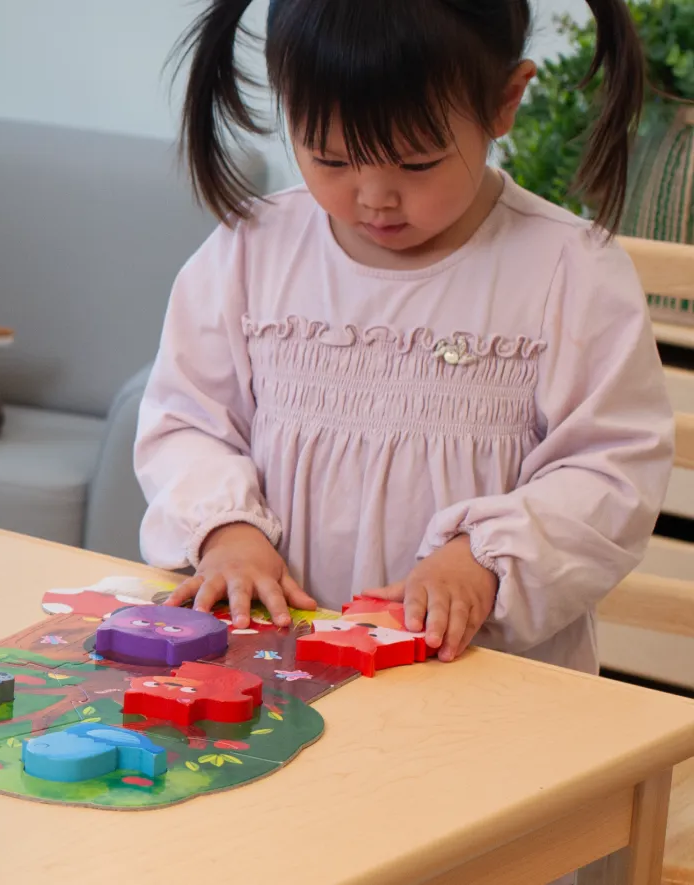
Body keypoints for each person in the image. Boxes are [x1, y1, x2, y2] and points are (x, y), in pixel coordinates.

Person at [134, 0, 673, 677]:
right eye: (330, 158)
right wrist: (226, 530)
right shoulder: (252, 252)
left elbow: (611, 468)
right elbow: (185, 422)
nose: (374, 197)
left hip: (486, 688)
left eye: (416, 164)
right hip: (271, 670)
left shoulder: (568, 271)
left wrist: (483, 556)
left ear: (506, 101)